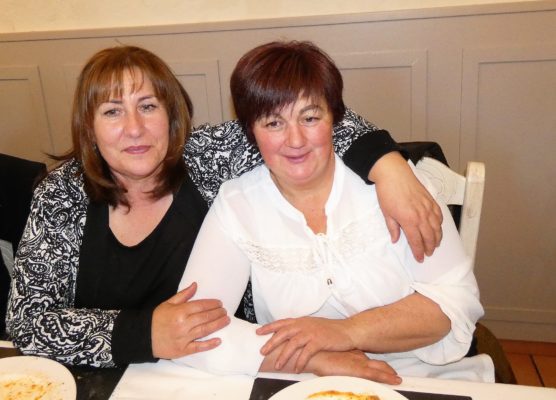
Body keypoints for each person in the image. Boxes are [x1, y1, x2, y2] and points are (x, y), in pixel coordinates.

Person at [6, 45, 441, 368]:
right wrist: (145, 334)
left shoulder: (206, 158)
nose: (134, 129)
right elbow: (26, 321)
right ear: (89, 126)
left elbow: (309, 119)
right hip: (101, 378)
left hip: (228, 367)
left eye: (148, 106)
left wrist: (388, 165)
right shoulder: (61, 195)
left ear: (172, 115)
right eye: (112, 112)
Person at [175, 41, 494, 383]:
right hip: (302, 377)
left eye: (310, 118)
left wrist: (345, 332)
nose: (295, 140)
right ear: (251, 131)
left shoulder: (396, 186)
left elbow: (457, 302)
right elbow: (195, 329)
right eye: (273, 123)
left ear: (335, 119)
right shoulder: (237, 204)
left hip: (422, 377)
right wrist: (317, 359)